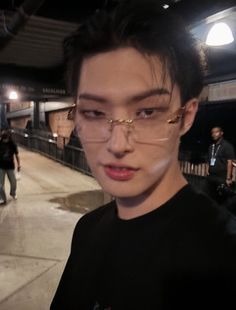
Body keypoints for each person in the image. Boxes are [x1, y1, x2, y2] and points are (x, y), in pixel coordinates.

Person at [51, 2, 236, 309]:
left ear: (187, 116)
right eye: (95, 112)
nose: (118, 144)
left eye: (147, 112)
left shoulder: (225, 257)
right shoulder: (87, 230)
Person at [205, 126, 235, 204]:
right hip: (211, 177)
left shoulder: (227, 146)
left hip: (222, 177)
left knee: (221, 200)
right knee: (210, 198)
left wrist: (228, 178)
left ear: (221, 133)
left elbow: (230, 162)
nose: (214, 134)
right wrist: (207, 170)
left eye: (216, 132)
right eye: (212, 133)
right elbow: (209, 159)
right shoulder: (211, 147)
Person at [0, 129, 21, 204]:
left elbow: (17, 155)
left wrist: (19, 165)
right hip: (1, 166)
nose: (5, 140)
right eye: (4, 139)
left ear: (9, 137)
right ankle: (2, 198)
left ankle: (13, 193)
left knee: (13, 182)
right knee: (0, 184)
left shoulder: (12, 144)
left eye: (6, 139)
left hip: (10, 166)